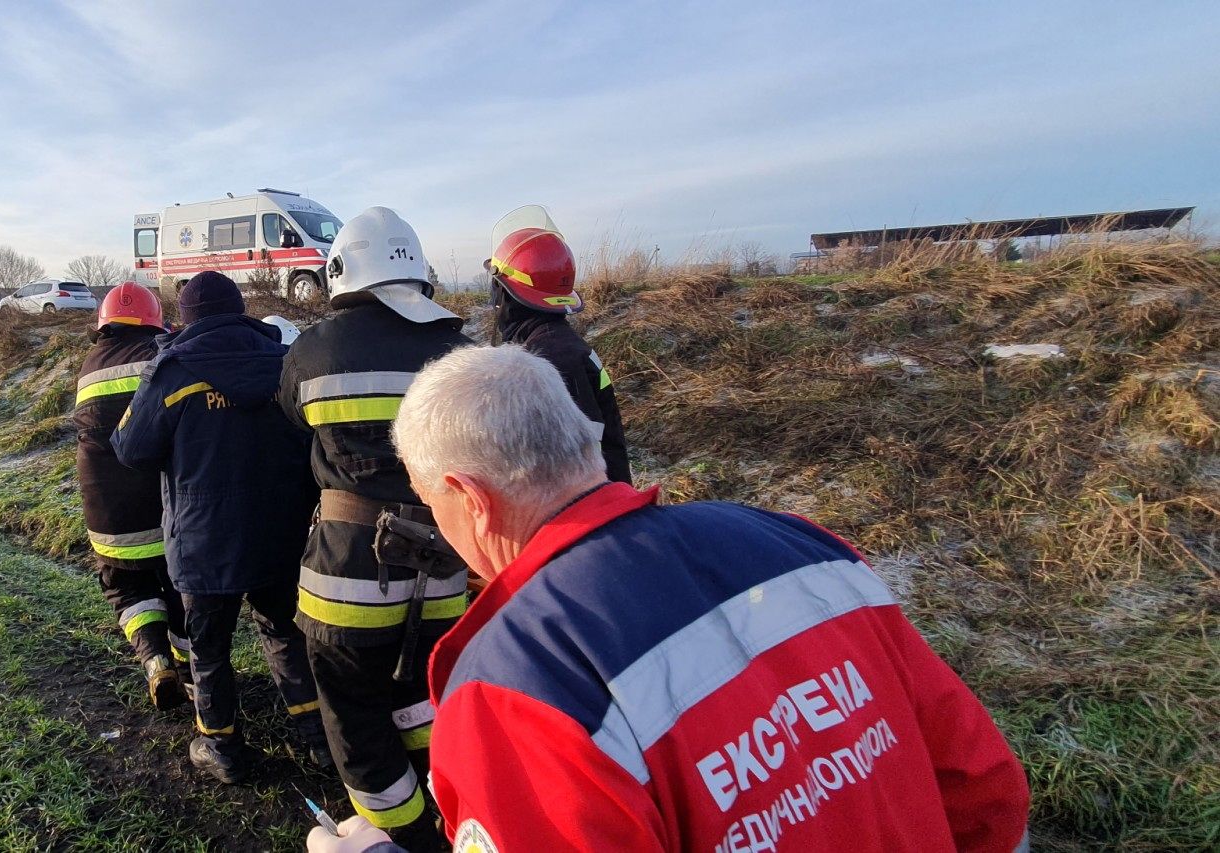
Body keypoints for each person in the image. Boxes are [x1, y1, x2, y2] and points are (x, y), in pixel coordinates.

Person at [309, 345, 1032, 852]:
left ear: (468, 497)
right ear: (581, 443)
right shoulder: (805, 547)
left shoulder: (517, 686)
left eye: (433, 503)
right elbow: (983, 792)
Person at [277, 207, 471, 847]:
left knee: (354, 710)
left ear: (342, 275)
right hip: (443, 568)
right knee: (423, 691)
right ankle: (448, 810)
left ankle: (404, 835)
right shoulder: (462, 350)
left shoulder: (312, 351)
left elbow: (292, 418)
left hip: (347, 574)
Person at [112, 271, 328, 783]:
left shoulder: (171, 372)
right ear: (241, 310)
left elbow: (130, 449)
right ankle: (320, 738)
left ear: (186, 318)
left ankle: (222, 749)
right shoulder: (286, 363)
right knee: (285, 634)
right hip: (282, 534)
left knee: (209, 651)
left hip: (203, 542)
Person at [73, 282, 190, 709]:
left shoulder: (89, 364)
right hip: (159, 503)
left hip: (105, 507)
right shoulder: (161, 356)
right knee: (177, 582)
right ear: (154, 321)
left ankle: (155, 660)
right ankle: (190, 666)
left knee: (126, 584)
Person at [486, 205, 632, 483]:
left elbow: (564, 463)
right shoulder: (560, 344)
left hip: (588, 513)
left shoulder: (547, 359)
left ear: (505, 293)